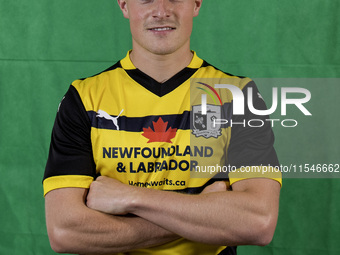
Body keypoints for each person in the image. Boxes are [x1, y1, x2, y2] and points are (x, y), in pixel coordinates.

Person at [43, 0, 282, 254]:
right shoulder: (84, 98)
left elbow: (258, 222)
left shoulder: (238, 96)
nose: (161, 11)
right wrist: (203, 210)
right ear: (124, 6)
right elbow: (65, 231)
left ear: (197, 4)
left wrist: (130, 198)